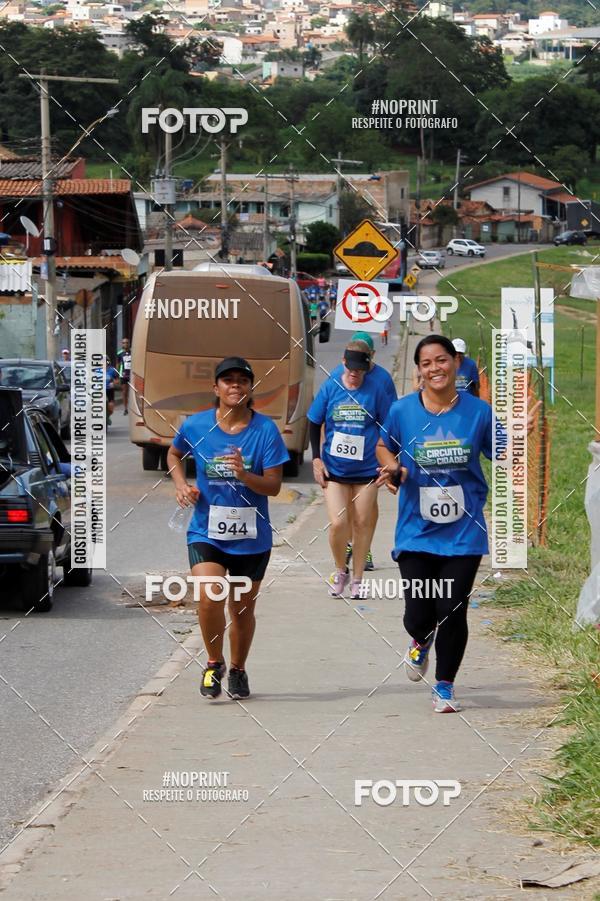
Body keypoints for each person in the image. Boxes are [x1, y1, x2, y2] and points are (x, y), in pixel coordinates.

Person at [376, 335, 539, 713]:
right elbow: (384, 446)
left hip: (463, 532)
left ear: (455, 363)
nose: (435, 368)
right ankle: (420, 640)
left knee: (453, 608)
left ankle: (445, 686)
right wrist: (392, 466)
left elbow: (498, 451)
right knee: (418, 614)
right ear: (419, 370)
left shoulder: (478, 412)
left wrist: (519, 435)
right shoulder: (402, 411)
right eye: (427, 362)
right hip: (417, 531)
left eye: (442, 360)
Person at [166, 357, 289, 701]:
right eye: (228, 380)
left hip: (251, 536)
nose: (235, 385)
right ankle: (213, 662)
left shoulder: (264, 431)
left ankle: (237, 668)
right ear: (216, 388)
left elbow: (274, 487)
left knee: (242, 609)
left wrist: (244, 476)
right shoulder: (196, 426)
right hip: (206, 530)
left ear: (250, 388)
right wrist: (181, 484)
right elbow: (174, 455)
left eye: (242, 380)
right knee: (209, 597)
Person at [308, 340, 393, 599]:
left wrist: (387, 462)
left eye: (360, 370)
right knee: (338, 523)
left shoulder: (376, 389)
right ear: (343, 363)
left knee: (362, 523)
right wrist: (316, 459)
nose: (355, 374)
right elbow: (314, 421)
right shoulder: (332, 386)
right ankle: (339, 569)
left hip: (367, 469)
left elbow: (389, 427)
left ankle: (357, 579)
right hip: (335, 469)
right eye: (351, 368)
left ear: (368, 367)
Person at [329, 331, 397, 573]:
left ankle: (363, 546)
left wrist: (387, 453)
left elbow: (390, 418)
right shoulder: (338, 376)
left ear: (372, 356)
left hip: (370, 453)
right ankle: (349, 544)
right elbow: (324, 414)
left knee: (366, 507)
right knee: (345, 503)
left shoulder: (383, 380)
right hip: (340, 454)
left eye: (365, 358)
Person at [117, 337, 132, 413]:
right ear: (122, 344)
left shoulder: (133, 352)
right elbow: (118, 364)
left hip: (131, 375)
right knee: (124, 392)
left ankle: (132, 408)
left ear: (129, 344)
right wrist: (118, 374)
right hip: (123, 375)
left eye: (127, 342)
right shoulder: (119, 353)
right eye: (124, 343)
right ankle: (125, 408)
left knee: (131, 392)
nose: (125, 344)